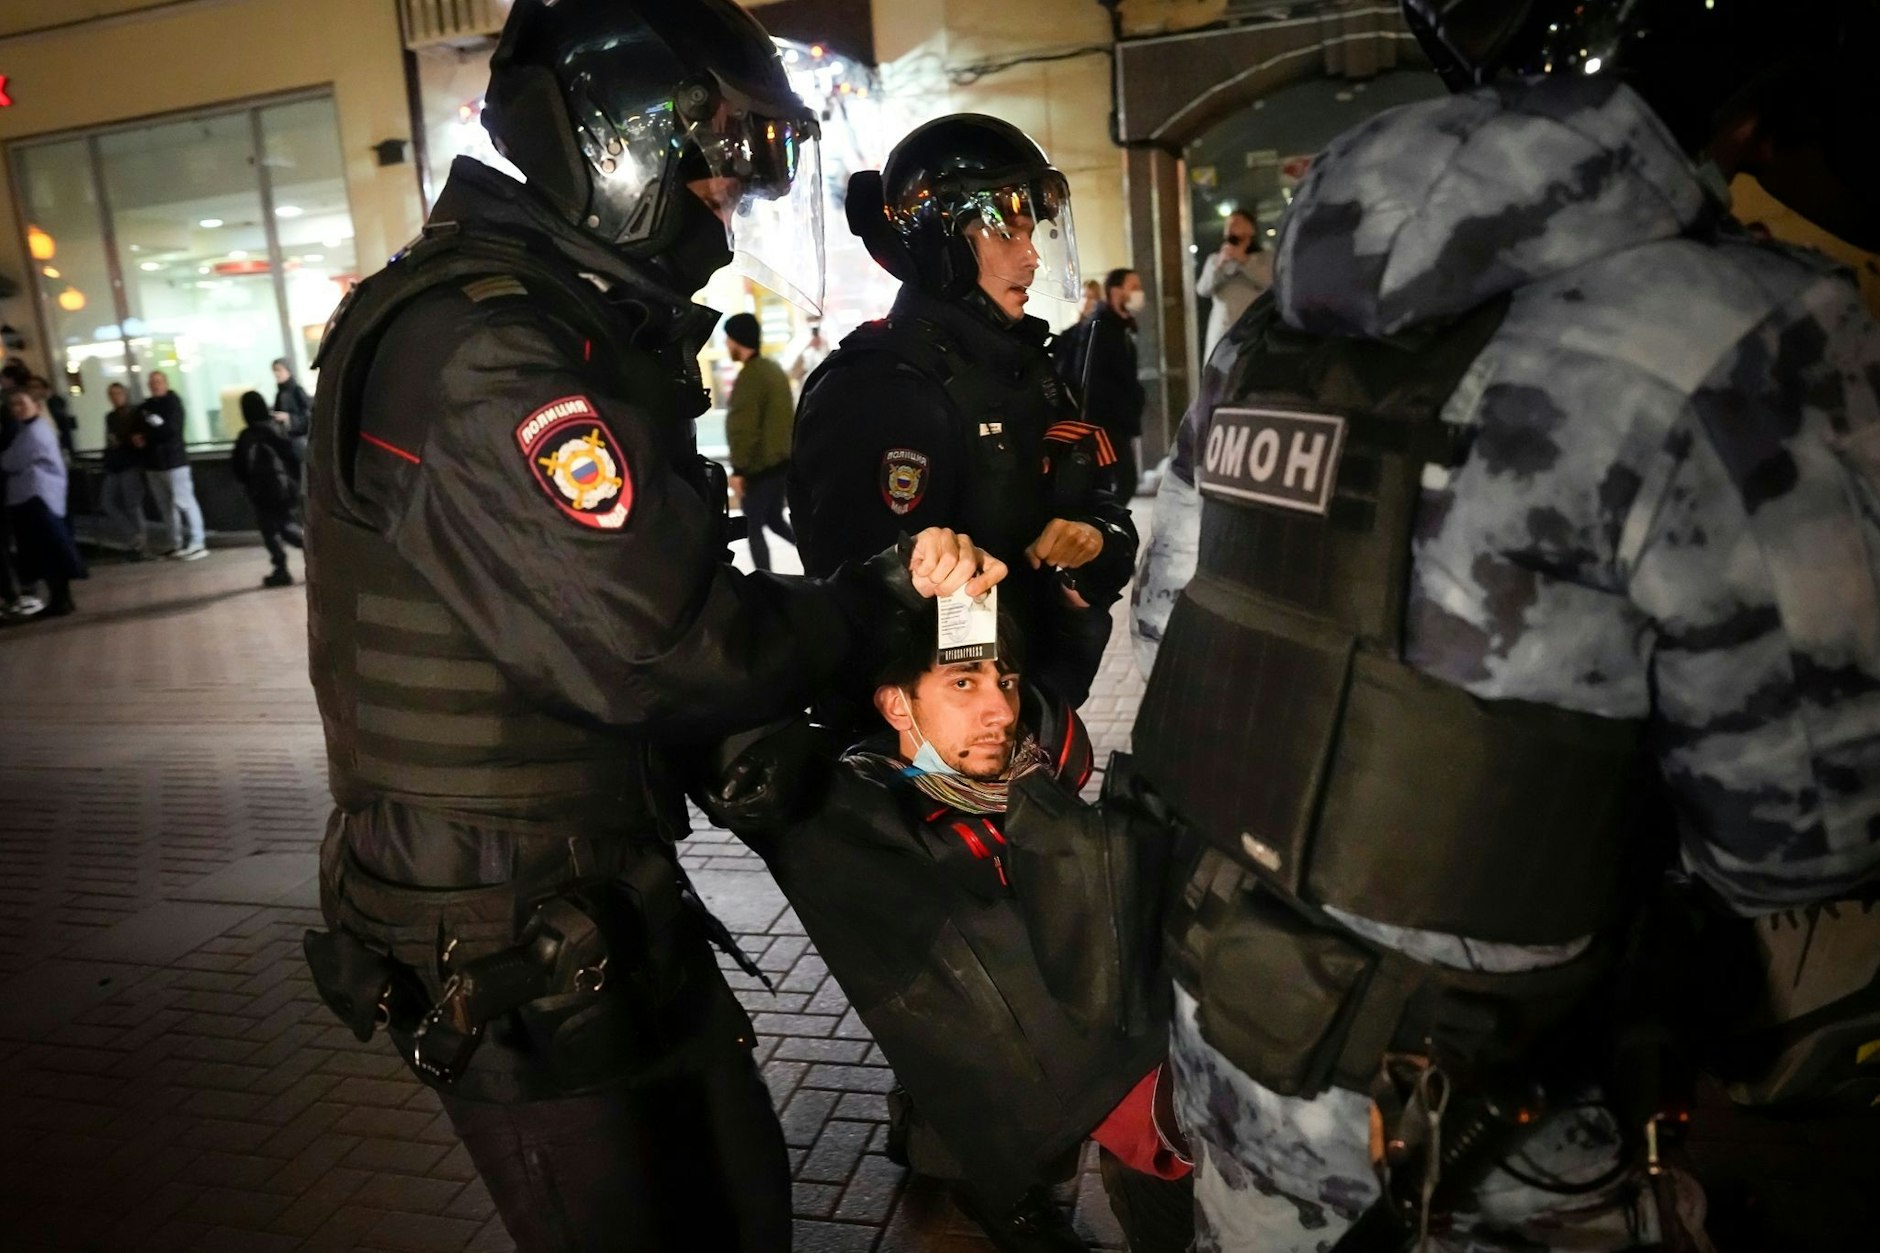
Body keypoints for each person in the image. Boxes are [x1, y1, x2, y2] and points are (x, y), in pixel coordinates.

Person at [1131, 1, 1880, 1249]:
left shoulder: (1266, 330)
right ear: (1745, 105)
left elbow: (1168, 641)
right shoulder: (1744, 334)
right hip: (1496, 1153)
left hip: (1236, 1075)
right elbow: (1803, 843)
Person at [296, 4, 1007, 1251]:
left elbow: (569, 626)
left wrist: (713, 747)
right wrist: (867, 600)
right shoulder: (486, 350)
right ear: (605, 142)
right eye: (715, 156)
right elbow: (655, 641)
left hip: (581, 876)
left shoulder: (550, 321)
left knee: (733, 1197)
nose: (727, 196)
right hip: (504, 917)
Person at [704, 608, 1194, 1253]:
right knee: (1143, 1110)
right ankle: (1006, 1199)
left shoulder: (1027, 771)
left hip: (1019, 1032)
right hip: (1001, 1034)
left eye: (1006, 682)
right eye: (962, 683)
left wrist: (1087, 560)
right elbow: (719, 709)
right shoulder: (848, 815)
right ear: (896, 705)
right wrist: (884, 585)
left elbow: (1061, 648)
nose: (999, 711)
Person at [792, 115, 1139, 712]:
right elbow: (854, 604)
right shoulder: (877, 387)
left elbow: (1100, 506)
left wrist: (1096, 542)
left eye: (1033, 234)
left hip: (1032, 713)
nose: (1032, 258)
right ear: (943, 242)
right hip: (923, 750)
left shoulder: (1031, 370)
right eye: (1008, 235)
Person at [1061, 268, 1146, 500]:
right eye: (1134, 287)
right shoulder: (1100, 329)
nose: (1139, 293)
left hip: (1116, 422)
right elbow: (1091, 381)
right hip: (1104, 424)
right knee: (1117, 482)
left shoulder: (1120, 327)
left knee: (1120, 482)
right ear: (1116, 291)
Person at [721, 311, 796, 571]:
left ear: (737, 340)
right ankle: (814, 553)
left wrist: (739, 469)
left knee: (753, 528)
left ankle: (765, 583)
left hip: (760, 468)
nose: (727, 344)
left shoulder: (750, 378)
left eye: (728, 339)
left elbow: (744, 428)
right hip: (780, 463)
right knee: (774, 520)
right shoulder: (773, 370)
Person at [1, 388, 84, 619]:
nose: (17, 409)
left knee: (49, 551)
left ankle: (60, 599)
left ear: (36, 405)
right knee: (49, 551)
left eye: (22, 403)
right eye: (13, 405)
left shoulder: (34, 432)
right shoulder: (30, 430)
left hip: (36, 496)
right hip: (37, 496)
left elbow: (11, 461)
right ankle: (60, 598)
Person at [231, 391, 303, 587]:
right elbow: (293, 458)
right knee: (285, 523)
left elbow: (240, 467)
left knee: (272, 531)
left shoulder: (247, 437)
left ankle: (282, 569)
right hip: (286, 489)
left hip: (262, 493)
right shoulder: (278, 430)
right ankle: (314, 553)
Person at [137, 371, 206, 560]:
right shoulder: (146, 407)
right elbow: (142, 429)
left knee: (185, 502)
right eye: (152, 382)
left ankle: (197, 541)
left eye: (158, 382)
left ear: (166, 383)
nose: (155, 385)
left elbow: (170, 430)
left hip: (174, 462)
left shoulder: (173, 404)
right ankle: (175, 543)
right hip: (154, 464)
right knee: (166, 506)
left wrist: (149, 434)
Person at [1194, 208, 1271, 361]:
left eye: (1237, 222)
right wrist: (1219, 267)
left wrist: (1244, 261)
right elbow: (1202, 290)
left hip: (1253, 331)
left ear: (1251, 229)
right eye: (1227, 224)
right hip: (1222, 332)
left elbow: (1270, 283)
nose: (1230, 226)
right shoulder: (1214, 260)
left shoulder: (1265, 258)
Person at [100, 382, 148, 559]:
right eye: (112, 394)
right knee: (108, 502)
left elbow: (138, 439)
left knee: (132, 504)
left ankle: (140, 543)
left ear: (125, 394)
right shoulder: (110, 417)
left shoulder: (134, 414)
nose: (115, 397)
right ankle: (134, 537)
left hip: (130, 463)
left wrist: (123, 440)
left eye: (119, 393)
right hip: (114, 464)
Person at [270, 358, 313, 465]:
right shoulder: (279, 394)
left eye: (279, 370)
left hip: (299, 441)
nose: (276, 374)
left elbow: (308, 415)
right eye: (274, 370)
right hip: (287, 441)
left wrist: (289, 418)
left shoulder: (297, 391)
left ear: (288, 371)